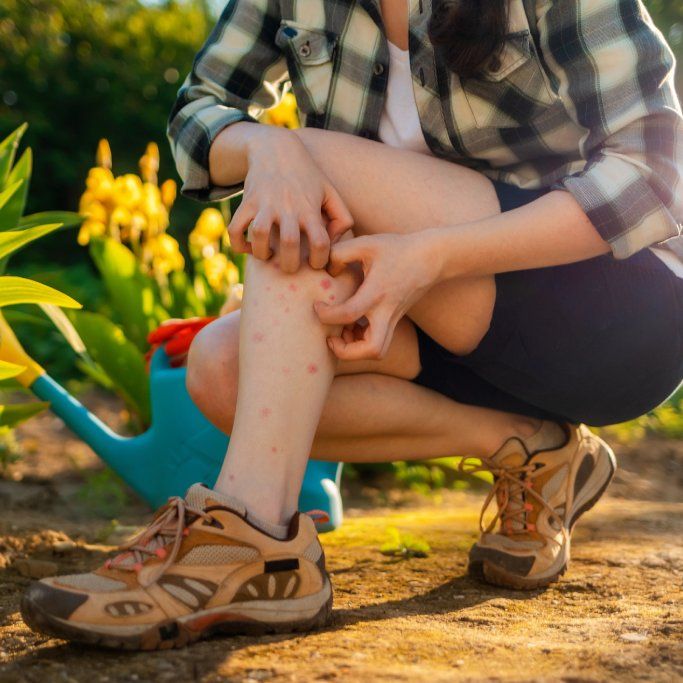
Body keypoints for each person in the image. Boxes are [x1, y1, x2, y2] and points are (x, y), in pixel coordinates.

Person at [21, 0, 683, 650]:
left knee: (316, 164)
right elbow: (196, 111)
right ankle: (530, 448)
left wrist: (431, 257)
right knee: (219, 368)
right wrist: (266, 150)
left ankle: (250, 534)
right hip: (442, 312)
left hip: (622, 314)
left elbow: (652, 172)